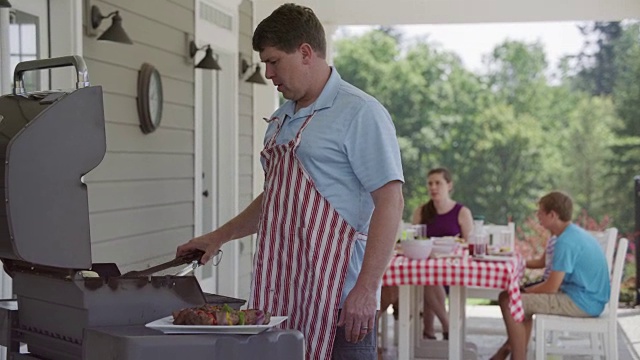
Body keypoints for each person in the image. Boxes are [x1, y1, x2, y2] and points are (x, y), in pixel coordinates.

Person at [176, 4, 404, 360]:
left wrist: (366, 289)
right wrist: (218, 237)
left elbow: (391, 202)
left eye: (273, 61)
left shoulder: (360, 112)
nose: (267, 73)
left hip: (341, 306)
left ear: (305, 53)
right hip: (282, 300)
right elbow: (277, 197)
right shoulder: (281, 118)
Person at [490, 191, 610, 360]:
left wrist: (523, 291)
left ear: (552, 215)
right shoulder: (570, 234)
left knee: (509, 300)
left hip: (582, 302)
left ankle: (515, 355)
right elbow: (546, 268)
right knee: (514, 299)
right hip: (589, 299)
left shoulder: (565, 241)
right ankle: (514, 352)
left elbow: (551, 287)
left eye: (540, 212)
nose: (537, 216)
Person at [379, 168, 473, 341]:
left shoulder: (461, 212)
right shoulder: (421, 211)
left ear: (449, 185)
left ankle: (432, 331)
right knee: (427, 276)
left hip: (450, 269)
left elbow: (468, 245)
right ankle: (443, 328)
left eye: (438, 183)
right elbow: (414, 239)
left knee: (429, 277)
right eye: (430, 183)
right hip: (423, 269)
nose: (433, 187)